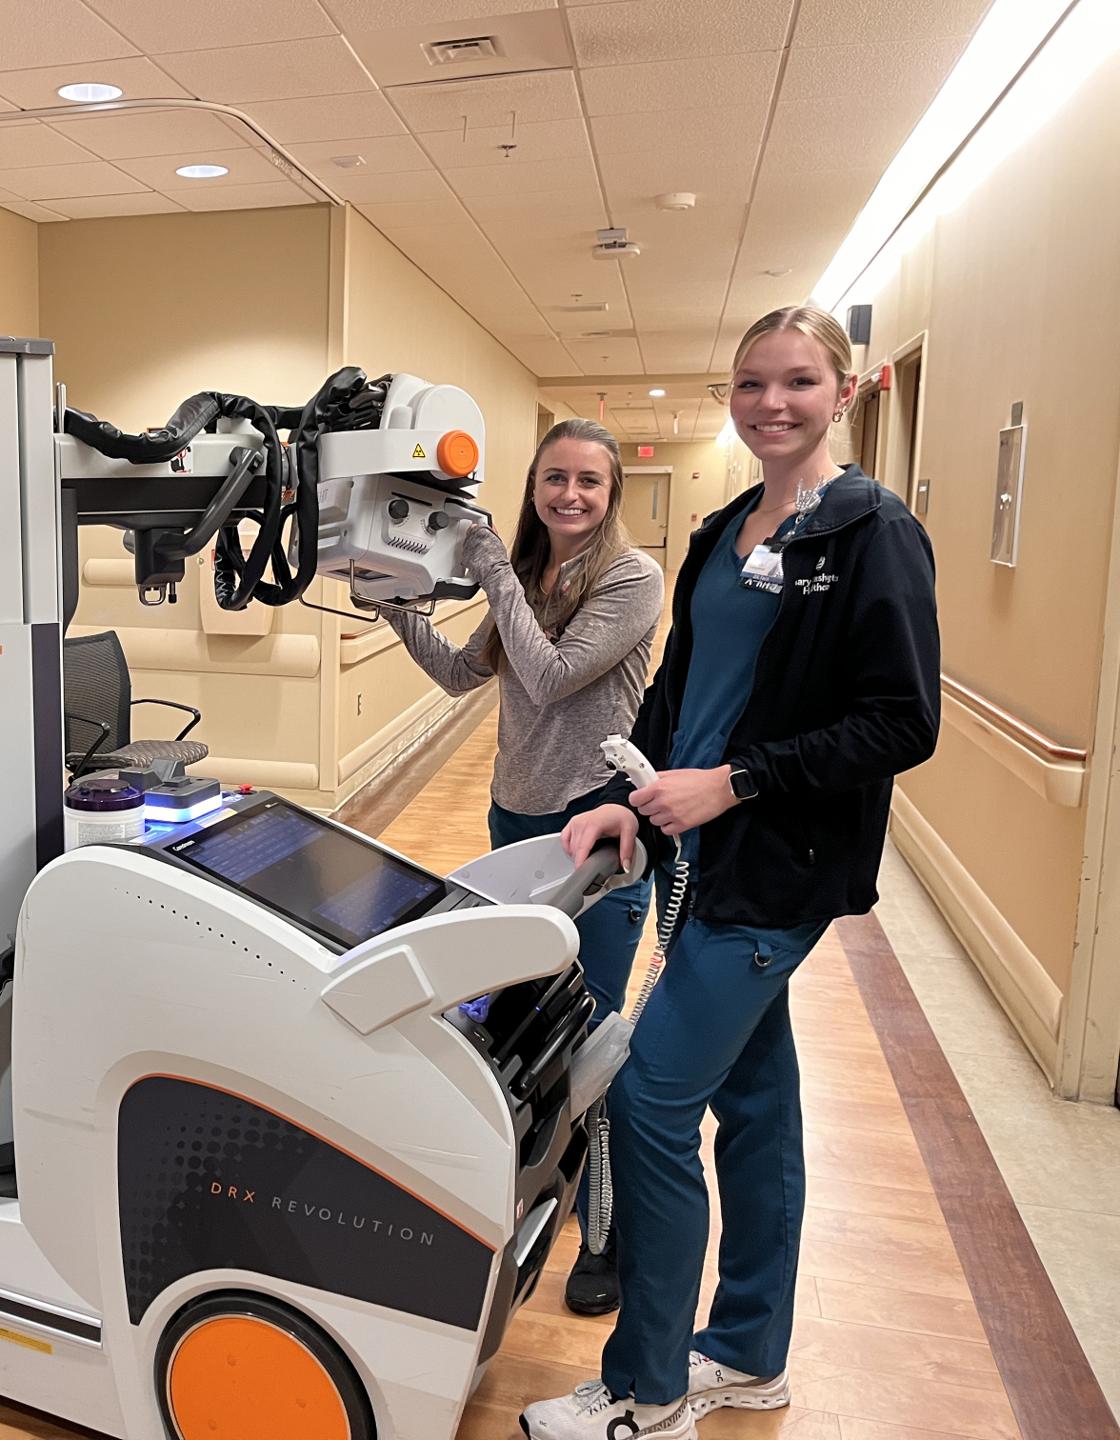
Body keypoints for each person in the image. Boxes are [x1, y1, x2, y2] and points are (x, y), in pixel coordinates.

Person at [519, 306, 940, 1440]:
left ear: (842, 394)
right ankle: (749, 1353)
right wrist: (628, 796)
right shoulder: (717, 534)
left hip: (774, 873)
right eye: (752, 383)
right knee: (756, 1101)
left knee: (653, 1103)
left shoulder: (870, 535)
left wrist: (736, 783)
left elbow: (901, 722)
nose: (773, 404)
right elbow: (673, 697)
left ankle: (648, 1389)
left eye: (799, 382)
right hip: (692, 855)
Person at [388, 417, 664, 1315]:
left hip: (597, 829)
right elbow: (467, 675)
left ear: (612, 491)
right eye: (555, 478)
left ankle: (609, 1233)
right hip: (515, 818)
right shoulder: (530, 577)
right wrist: (392, 604)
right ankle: (529, 1176)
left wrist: (496, 567)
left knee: (600, 1034)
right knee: (527, 1017)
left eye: (589, 480)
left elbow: (548, 678)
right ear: (534, 484)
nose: (570, 495)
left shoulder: (631, 577)